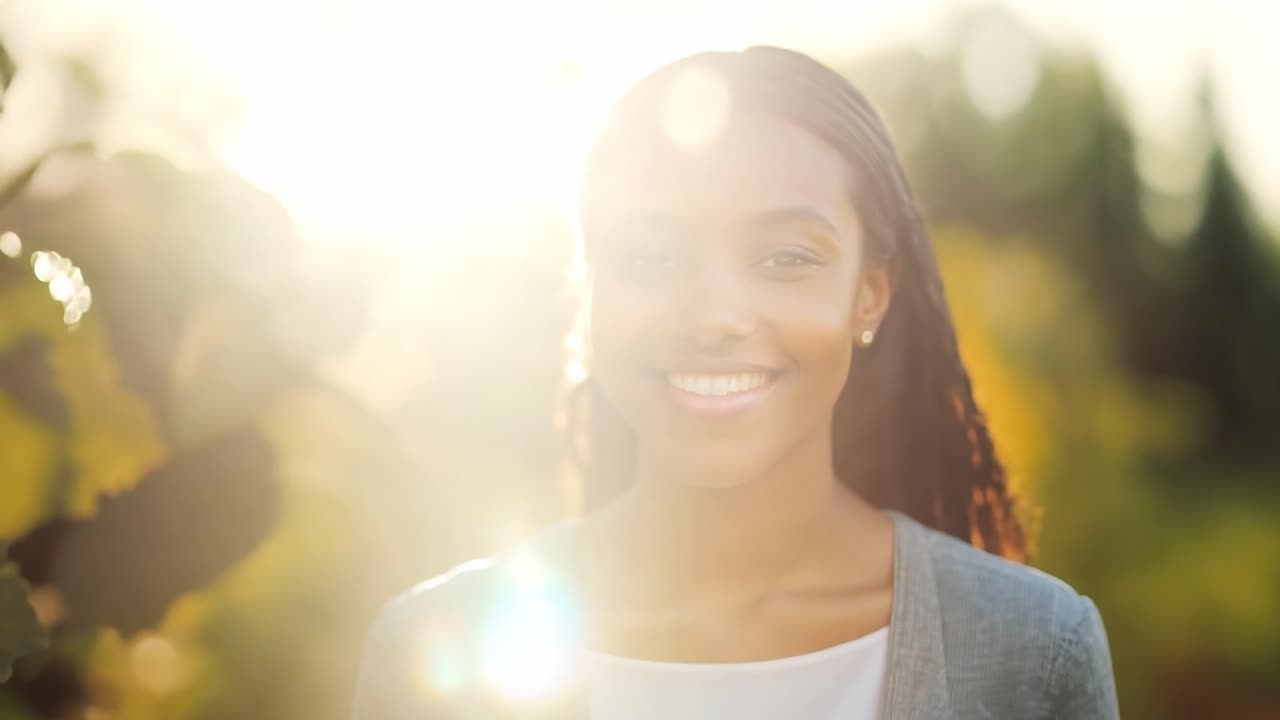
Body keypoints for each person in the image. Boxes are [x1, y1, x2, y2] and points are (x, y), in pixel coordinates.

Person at [351, 45, 1119, 719]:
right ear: (592, 292)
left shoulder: (1033, 651)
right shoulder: (433, 651)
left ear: (869, 296)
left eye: (786, 257)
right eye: (650, 257)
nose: (715, 316)